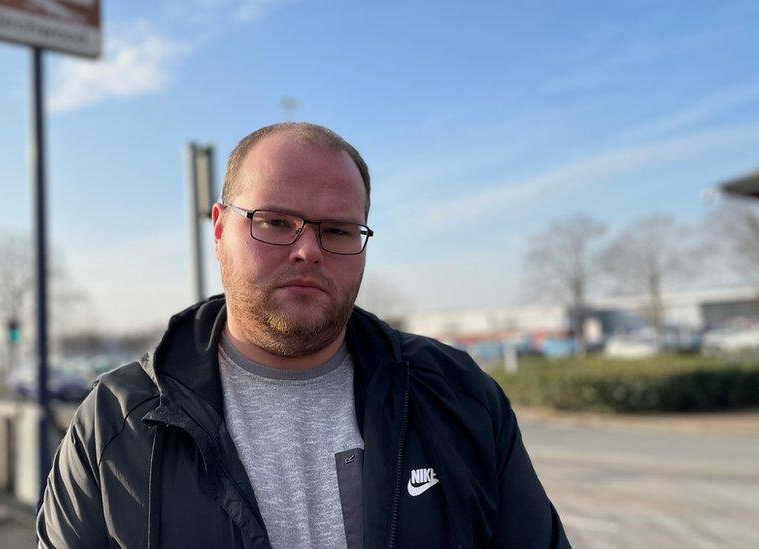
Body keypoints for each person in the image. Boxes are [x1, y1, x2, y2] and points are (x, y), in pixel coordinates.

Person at [37, 122, 570, 548]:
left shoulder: (459, 395)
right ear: (220, 229)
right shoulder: (117, 423)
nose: (307, 250)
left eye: (337, 229)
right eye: (273, 222)